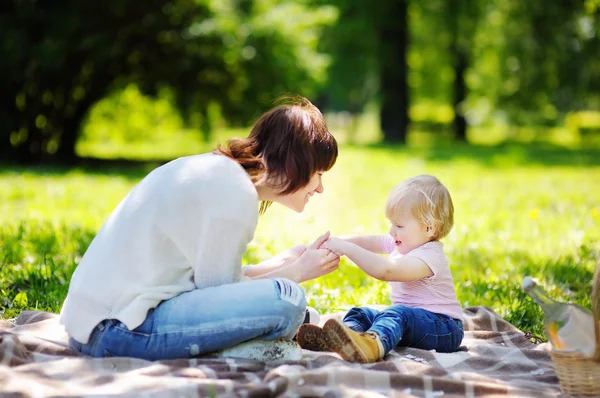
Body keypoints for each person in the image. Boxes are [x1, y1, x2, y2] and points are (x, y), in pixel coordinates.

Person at [60, 97, 340, 360]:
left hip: (94, 327)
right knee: (288, 300)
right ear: (295, 163)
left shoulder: (221, 174)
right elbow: (219, 293)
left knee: (294, 306)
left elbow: (210, 282)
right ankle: (240, 351)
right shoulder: (236, 190)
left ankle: (255, 340)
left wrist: (277, 264)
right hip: (118, 332)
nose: (320, 188)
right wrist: (298, 272)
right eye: (318, 174)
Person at [297, 175, 463, 363]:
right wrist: (332, 242)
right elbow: (365, 240)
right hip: (411, 321)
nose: (392, 231)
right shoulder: (401, 243)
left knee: (397, 314)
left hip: (444, 328)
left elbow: (387, 270)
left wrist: (347, 249)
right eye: (391, 223)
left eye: (399, 225)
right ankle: (344, 339)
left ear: (429, 228)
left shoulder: (430, 256)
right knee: (360, 314)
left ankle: (372, 346)